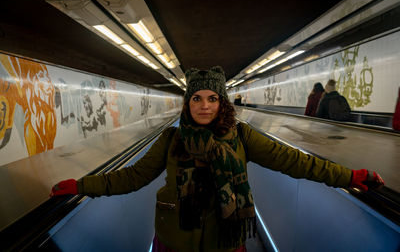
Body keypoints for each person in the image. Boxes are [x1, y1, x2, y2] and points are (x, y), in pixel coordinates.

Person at [51, 66, 384, 252]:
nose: (205, 105)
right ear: (187, 103)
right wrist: (82, 185)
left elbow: (297, 162)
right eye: (196, 98)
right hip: (173, 244)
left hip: (225, 245)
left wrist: (350, 177)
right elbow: (131, 177)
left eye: (212, 98)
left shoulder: (241, 137)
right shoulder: (172, 139)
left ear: (222, 102)